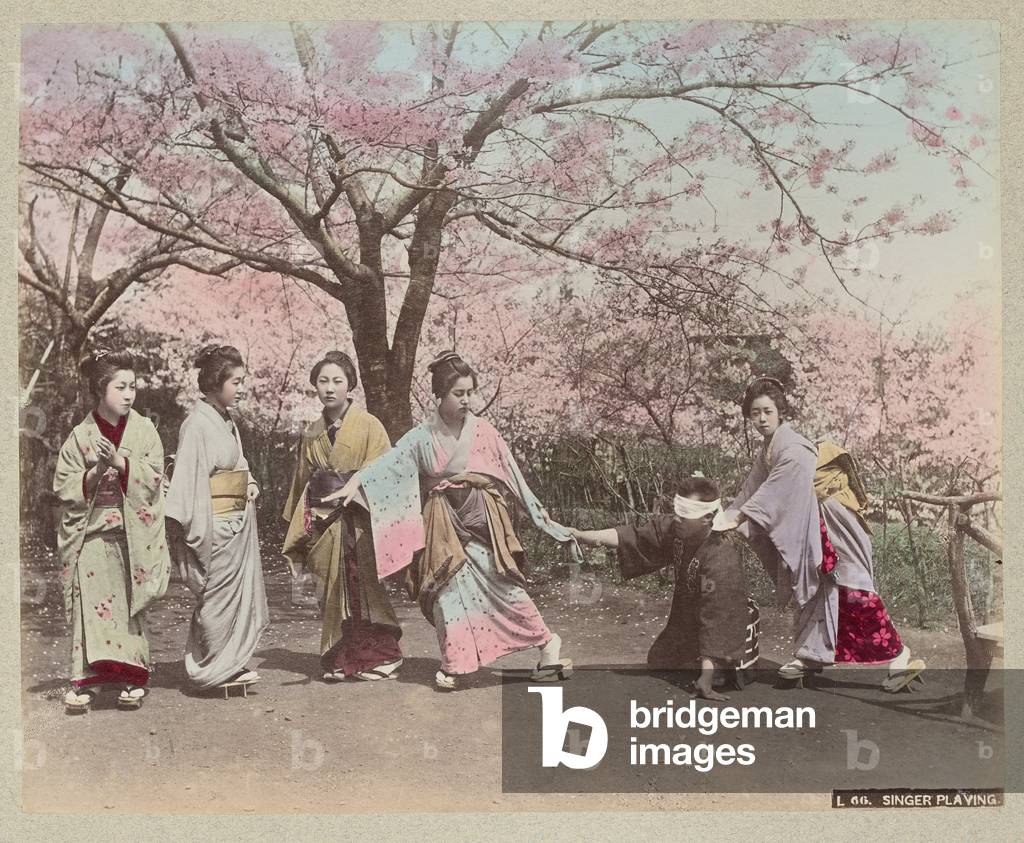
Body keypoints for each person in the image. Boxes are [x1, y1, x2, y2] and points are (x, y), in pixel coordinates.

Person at [335, 351, 579, 691]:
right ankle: (455, 663)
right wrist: (356, 482)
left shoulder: (484, 432)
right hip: (442, 523)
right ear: (439, 395)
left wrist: (544, 520)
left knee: (503, 585)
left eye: (470, 392)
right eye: (458, 393)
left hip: (481, 519)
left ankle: (548, 644)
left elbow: (513, 477)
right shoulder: (421, 436)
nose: (467, 400)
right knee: (447, 588)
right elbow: (388, 464)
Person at [717, 376, 924, 691]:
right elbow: (752, 488)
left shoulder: (794, 447)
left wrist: (741, 516)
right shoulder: (769, 449)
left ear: (780, 413)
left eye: (767, 412)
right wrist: (729, 513)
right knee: (815, 585)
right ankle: (811, 654)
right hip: (811, 518)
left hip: (833, 516)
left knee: (850, 586)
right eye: (755, 413)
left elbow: (774, 490)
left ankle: (900, 656)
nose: (761, 419)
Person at [54, 348, 170, 713]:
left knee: (129, 607)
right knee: (93, 609)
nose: (129, 394)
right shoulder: (79, 436)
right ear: (100, 388)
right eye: (120, 387)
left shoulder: (144, 429)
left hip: (132, 536)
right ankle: (87, 679)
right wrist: (93, 473)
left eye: (132, 386)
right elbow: (63, 487)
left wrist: (120, 463)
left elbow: (156, 479)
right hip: (91, 535)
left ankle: (133, 676)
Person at [570, 476, 756, 701]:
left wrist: (706, 677)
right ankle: (699, 659)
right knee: (661, 660)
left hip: (729, 625)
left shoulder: (721, 556)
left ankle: (719, 666)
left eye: (684, 516)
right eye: (676, 512)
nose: (676, 519)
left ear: (707, 518)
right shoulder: (678, 530)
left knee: (713, 674)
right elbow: (632, 537)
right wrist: (581, 535)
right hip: (689, 619)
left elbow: (719, 617)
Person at [281, 351, 404, 682]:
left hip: (360, 518)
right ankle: (341, 657)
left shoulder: (369, 425)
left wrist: (356, 485)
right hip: (325, 521)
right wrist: (301, 526)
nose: (330, 388)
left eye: (338, 381)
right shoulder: (311, 432)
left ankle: (383, 656)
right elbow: (303, 482)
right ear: (315, 386)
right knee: (332, 588)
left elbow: (386, 469)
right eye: (323, 381)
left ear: (351, 385)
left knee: (362, 587)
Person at [165, 345, 269, 693]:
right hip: (215, 524)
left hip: (236, 520)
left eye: (242, 381)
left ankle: (231, 663)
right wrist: (200, 528)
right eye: (235, 381)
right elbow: (190, 481)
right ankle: (210, 667)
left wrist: (249, 484)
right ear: (215, 381)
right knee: (215, 597)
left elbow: (238, 466)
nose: (241, 388)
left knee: (232, 598)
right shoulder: (196, 424)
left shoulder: (225, 420)